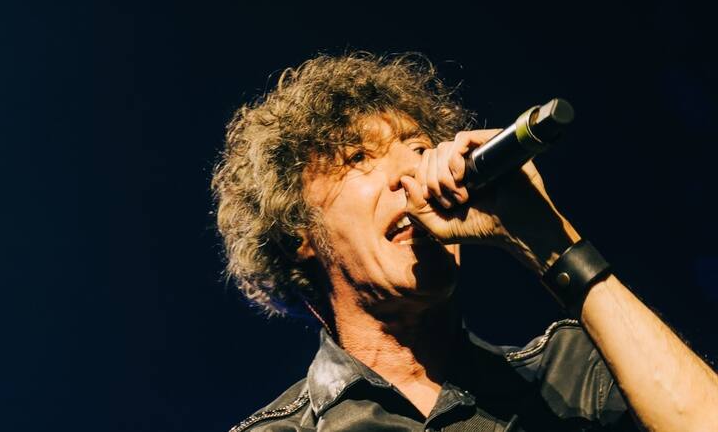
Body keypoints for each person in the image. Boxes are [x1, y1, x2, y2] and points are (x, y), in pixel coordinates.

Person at [211, 53, 718, 431]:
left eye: (418, 148)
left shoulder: (572, 374)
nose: (409, 173)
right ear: (296, 231)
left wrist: (547, 238)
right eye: (359, 157)